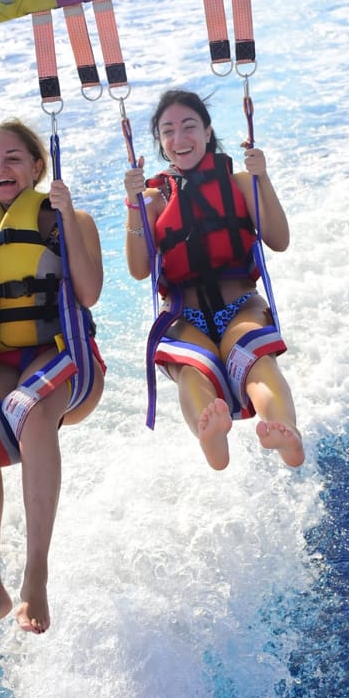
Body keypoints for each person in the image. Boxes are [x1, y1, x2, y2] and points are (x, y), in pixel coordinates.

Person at [0, 118, 105, 656]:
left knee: (27, 410)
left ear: (37, 166)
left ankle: (36, 576)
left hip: (67, 359)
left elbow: (90, 291)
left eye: (11, 159)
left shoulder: (68, 219)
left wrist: (67, 216)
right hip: (3, 360)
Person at [123, 89, 304, 472]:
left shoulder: (239, 183)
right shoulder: (153, 200)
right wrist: (133, 207)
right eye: (167, 131)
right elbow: (140, 269)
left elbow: (279, 240)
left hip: (241, 306)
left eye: (189, 126)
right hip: (185, 318)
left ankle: (283, 430)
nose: (179, 139)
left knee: (255, 359)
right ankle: (212, 436)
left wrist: (262, 178)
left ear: (207, 131)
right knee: (193, 369)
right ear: (159, 143)